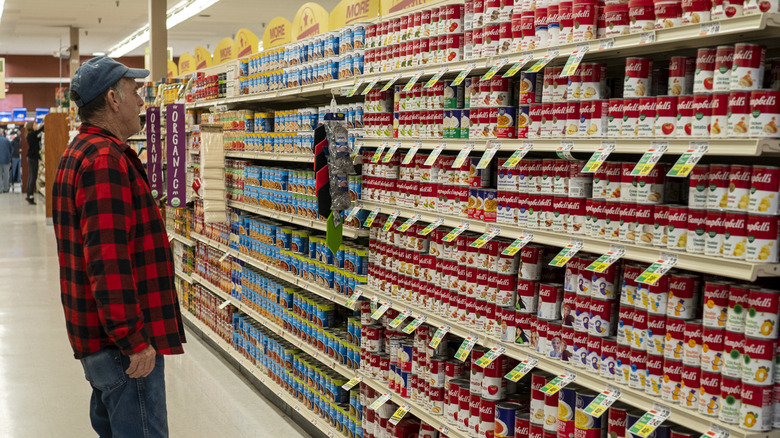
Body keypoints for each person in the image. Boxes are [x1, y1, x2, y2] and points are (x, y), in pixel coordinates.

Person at [52, 56, 185, 438]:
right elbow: (107, 263)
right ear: (113, 98)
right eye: (136, 91)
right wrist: (135, 341)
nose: (142, 102)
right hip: (121, 348)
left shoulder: (81, 152)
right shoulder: (104, 161)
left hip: (100, 340)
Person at [25, 122, 44, 204]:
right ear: (31, 127)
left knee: (31, 177)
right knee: (33, 177)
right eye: (34, 125)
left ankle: (29, 195)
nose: (36, 126)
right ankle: (30, 196)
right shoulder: (32, 135)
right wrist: (45, 122)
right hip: (33, 158)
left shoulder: (31, 135)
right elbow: (40, 130)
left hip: (31, 157)